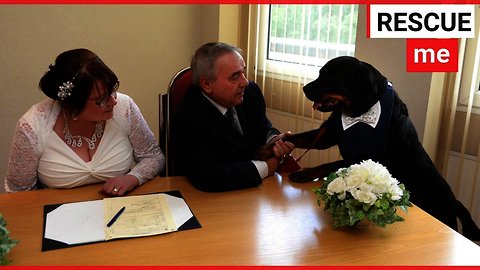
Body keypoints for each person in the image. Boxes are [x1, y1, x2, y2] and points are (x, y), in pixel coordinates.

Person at [5, 48, 164, 196]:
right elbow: (18, 191)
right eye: (101, 100)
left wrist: (133, 177)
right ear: (72, 106)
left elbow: (153, 157)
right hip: (59, 215)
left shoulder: (124, 107)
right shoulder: (33, 126)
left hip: (118, 208)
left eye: (112, 91)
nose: (113, 102)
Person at [172, 42, 294, 192]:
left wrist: (274, 142)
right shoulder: (189, 116)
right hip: (210, 199)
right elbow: (209, 176)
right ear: (206, 84)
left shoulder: (250, 93)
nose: (245, 82)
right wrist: (267, 167)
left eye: (243, 72)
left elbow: (264, 127)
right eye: (235, 77)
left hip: (257, 192)